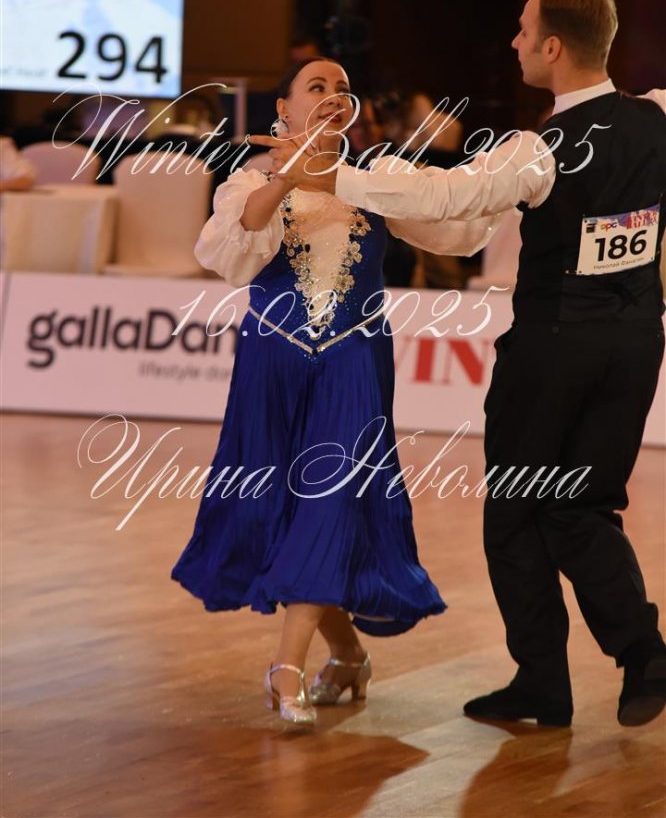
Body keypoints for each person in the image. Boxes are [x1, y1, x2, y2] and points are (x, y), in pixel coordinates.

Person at [264, 0, 666, 728]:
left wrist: (333, 173)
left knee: (518, 512)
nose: (514, 42)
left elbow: (448, 197)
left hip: (553, 352)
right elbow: (458, 222)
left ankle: (572, 673)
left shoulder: (538, 150)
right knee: (584, 506)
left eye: (523, 30)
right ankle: (627, 659)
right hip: (638, 343)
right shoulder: (657, 116)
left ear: (553, 47)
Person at [171, 57, 501, 727]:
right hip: (272, 363)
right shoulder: (253, 180)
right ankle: (348, 655)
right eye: (316, 87)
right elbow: (237, 244)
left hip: (353, 359)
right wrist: (289, 172)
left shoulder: (376, 178)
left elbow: (456, 227)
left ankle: (285, 665)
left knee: (330, 502)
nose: (332, 97)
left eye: (342, 89)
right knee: (275, 511)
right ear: (283, 110)